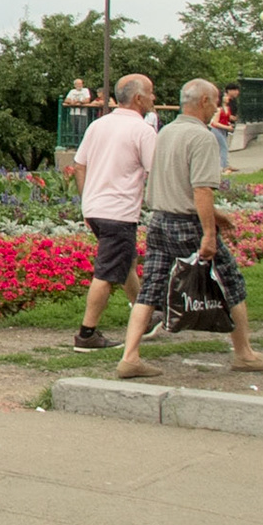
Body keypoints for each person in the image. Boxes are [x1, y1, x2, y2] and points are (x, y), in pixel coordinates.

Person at [116, 79, 263, 380]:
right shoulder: (203, 137)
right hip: (188, 224)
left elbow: (173, 182)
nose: (217, 107)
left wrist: (216, 216)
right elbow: (201, 190)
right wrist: (209, 232)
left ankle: (129, 357)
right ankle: (244, 354)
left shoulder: (166, 132)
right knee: (230, 282)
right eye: (216, 100)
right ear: (204, 101)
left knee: (151, 288)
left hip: (159, 221)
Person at [70, 74, 157, 351]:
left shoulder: (98, 124)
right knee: (107, 273)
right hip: (119, 212)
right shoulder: (143, 130)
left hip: (96, 209)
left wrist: (87, 200)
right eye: (151, 93)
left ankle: (144, 314)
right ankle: (86, 334)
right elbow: (155, 171)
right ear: (139, 98)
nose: (154, 98)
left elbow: (79, 165)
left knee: (126, 261)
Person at [209, 88, 236, 172]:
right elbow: (215, 123)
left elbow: (226, 118)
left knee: (225, 146)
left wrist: (231, 120)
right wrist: (227, 127)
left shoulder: (227, 108)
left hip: (224, 130)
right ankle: (223, 166)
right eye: (225, 96)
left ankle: (226, 164)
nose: (228, 98)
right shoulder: (219, 109)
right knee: (223, 147)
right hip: (217, 130)